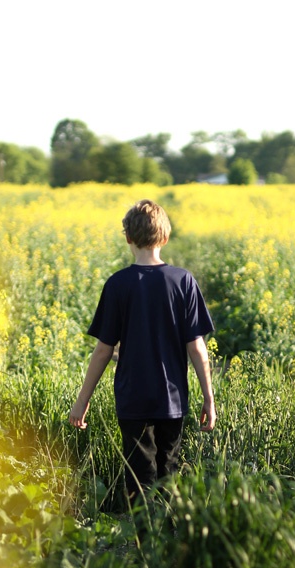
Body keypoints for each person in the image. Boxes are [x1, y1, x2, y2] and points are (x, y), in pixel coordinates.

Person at [69, 199, 216, 523]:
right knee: (169, 475)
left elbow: (104, 351)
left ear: (127, 238)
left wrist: (82, 402)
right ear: (164, 237)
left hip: (133, 398)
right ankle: (168, 547)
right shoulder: (183, 281)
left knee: (139, 477)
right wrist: (209, 398)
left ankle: (145, 548)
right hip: (173, 398)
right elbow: (197, 347)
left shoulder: (118, 284)